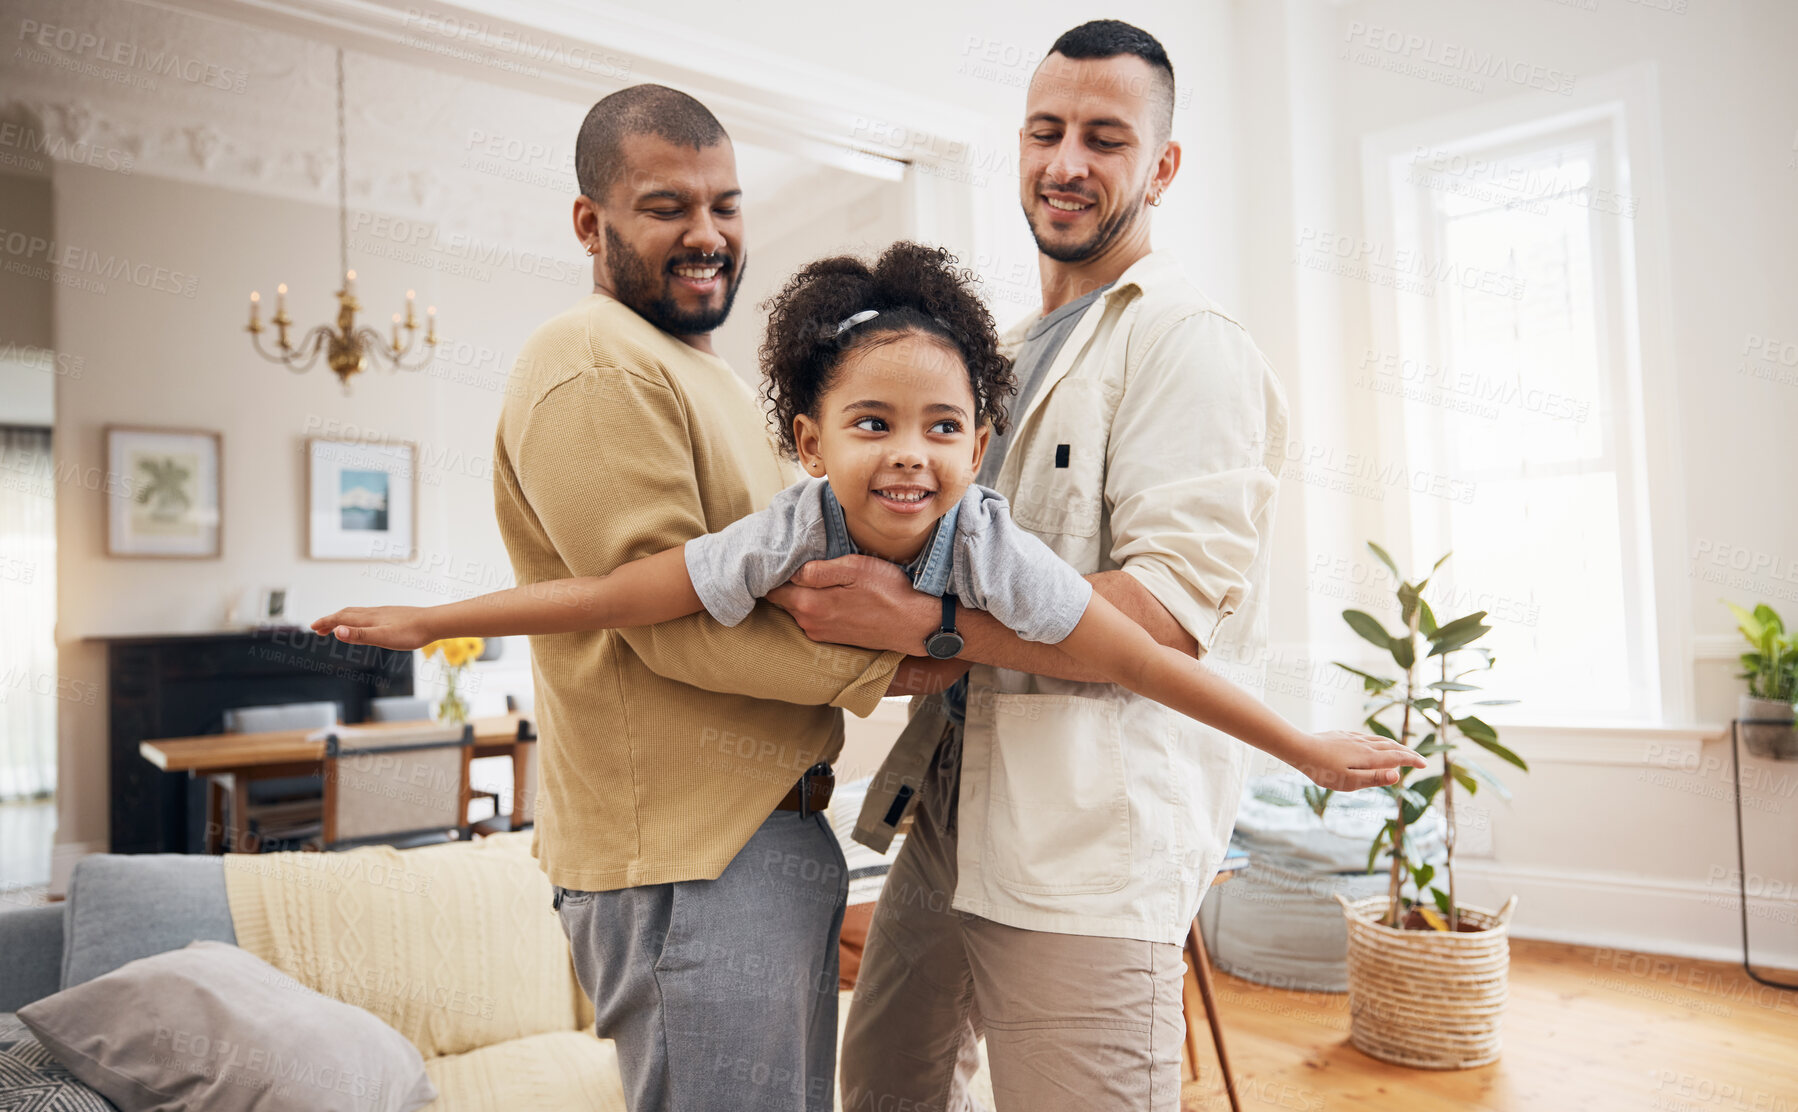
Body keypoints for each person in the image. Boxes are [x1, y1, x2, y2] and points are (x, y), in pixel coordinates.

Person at [313, 243, 1415, 795]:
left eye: (941, 427)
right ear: (810, 443)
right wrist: (432, 614)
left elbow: (1139, 658)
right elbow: (617, 591)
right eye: (873, 422)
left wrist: (1302, 750)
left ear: (977, 449)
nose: (908, 453)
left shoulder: (986, 540)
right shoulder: (791, 527)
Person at [761, 21, 1293, 1110]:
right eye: (1046, 131)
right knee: (885, 1084)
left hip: (1086, 846)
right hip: (953, 810)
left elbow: (1161, 620)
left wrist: (918, 622)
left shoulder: (1187, 343)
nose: (1066, 162)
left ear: (1162, 165)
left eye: (1105, 138)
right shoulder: (994, 357)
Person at [445, 84, 962, 1112]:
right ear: (592, 222)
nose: (707, 233)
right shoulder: (591, 360)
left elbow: (781, 589)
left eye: (725, 205)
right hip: (691, 863)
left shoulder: (702, 376)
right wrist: (904, 660)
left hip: (757, 840)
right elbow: (668, 619)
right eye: (667, 205)